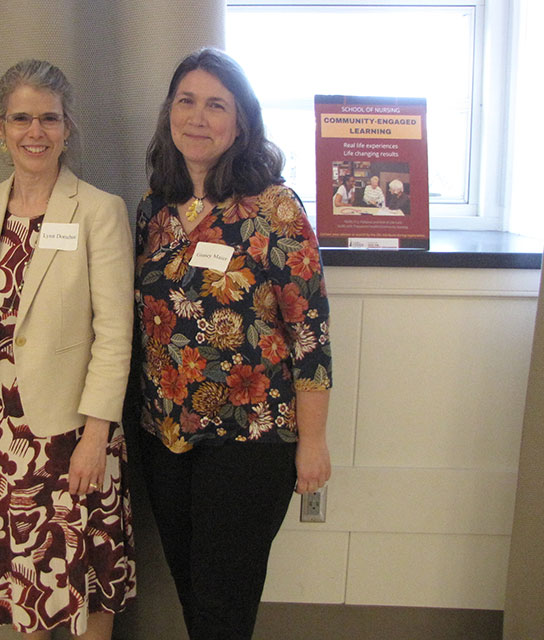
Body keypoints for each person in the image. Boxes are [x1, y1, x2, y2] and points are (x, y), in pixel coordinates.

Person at [128, 48, 332, 640]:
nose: (198, 117)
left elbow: (310, 335)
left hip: (251, 439)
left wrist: (313, 441)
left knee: (225, 602)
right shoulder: (153, 211)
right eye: (186, 101)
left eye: (216, 105)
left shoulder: (275, 209)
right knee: (193, 591)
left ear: (241, 121)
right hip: (164, 435)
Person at [0, 59, 136, 639]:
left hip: (72, 431)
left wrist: (95, 434)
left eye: (49, 119)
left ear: (68, 127)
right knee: (23, 583)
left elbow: (114, 334)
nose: (36, 132)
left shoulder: (98, 211)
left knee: (84, 580)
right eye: (21, 118)